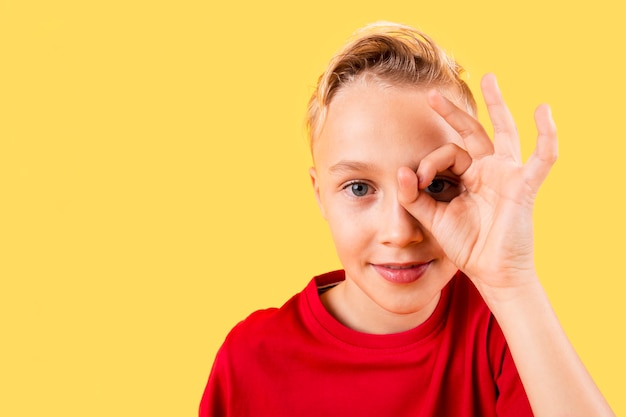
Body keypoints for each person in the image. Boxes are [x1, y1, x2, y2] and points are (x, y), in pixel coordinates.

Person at [199, 22, 615, 416]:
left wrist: (513, 282)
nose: (400, 232)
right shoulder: (252, 356)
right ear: (319, 194)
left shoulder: (503, 332)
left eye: (436, 186)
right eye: (360, 188)